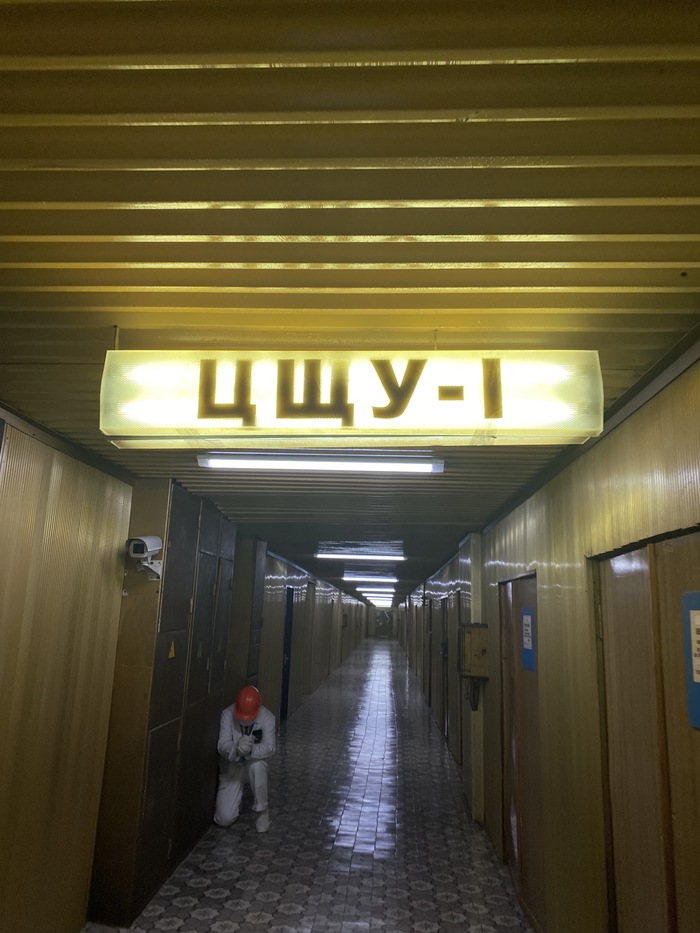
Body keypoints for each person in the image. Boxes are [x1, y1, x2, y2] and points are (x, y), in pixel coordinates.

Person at [214, 685, 276, 833]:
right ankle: (236, 799)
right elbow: (222, 745)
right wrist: (236, 749)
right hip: (233, 767)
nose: (244, 721)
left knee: (258, 766)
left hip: (252, 763)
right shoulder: (227, 715)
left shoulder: (267, 718)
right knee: (224, 819)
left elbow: (270, 748)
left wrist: (251, 751)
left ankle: (262, 811)